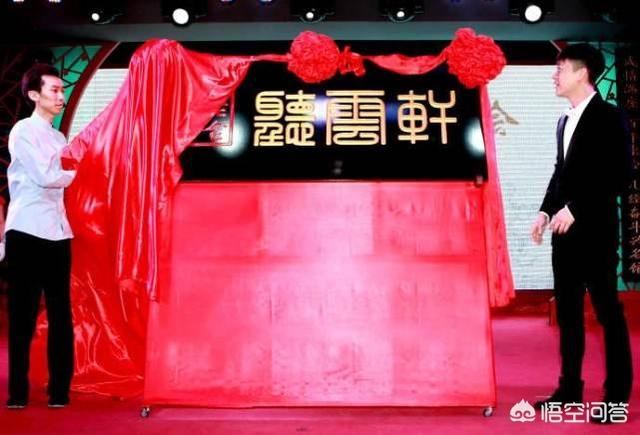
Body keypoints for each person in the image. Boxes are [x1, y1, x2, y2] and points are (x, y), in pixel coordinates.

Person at [530, 43, 633, 422]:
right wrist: (545, 211)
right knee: (569, 314)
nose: (554, 76)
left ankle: (616, 397)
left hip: (597, 233)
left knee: (608, 312)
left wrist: (575, 209)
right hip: (564, 235)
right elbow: (562, 172)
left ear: (582, 73)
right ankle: (569, 389)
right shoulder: (564, 120)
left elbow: (620, 175)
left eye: (560, 69)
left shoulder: (611, 117)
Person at [4, 64, 78, 409]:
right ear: (34, 95)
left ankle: (59, 391)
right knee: (23, 314)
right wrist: (79, 171)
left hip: (58, 232)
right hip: (26, 231)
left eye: (62, 90)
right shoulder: (23, 130)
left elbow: (59, 178)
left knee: (62, 314)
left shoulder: (59, 138)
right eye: (54, 90)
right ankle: (18, 392)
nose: (61, 96)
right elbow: (46, 177)